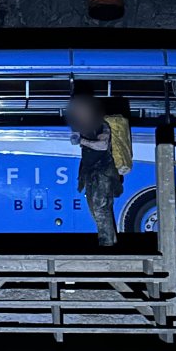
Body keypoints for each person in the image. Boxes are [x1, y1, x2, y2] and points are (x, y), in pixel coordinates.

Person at [67, 92, 123, 246]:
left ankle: (106, 243)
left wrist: (83, 141)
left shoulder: (101, 125)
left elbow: (103, 145)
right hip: (91, 173)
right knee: (95, 207)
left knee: (100, 207)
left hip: (103, 173)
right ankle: (111, 240)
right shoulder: (84, 127)